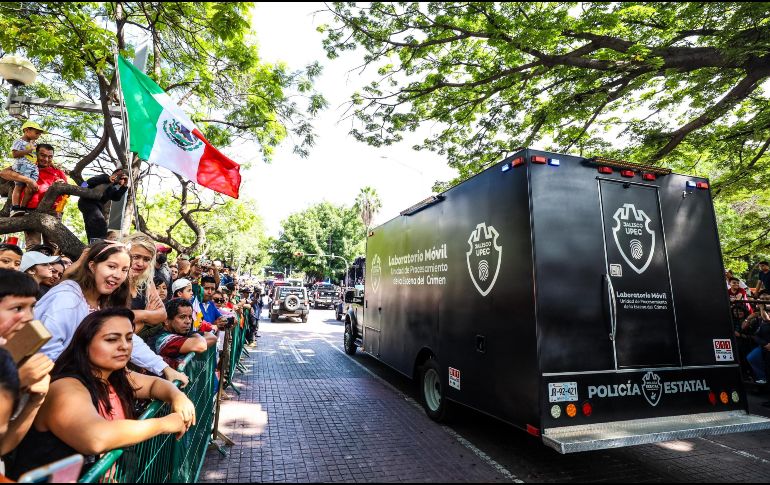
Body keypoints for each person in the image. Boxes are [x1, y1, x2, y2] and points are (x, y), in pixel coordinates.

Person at [7, 308, 195, 479]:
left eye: (129, 338)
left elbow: (154, 383)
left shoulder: (114, 375)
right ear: (84, 343)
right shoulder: (66, 387)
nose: (124, 346)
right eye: (111, 339)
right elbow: (96, 438)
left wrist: (177, 396)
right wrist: (164, 423)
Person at [34, 240, 188, 386]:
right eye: (111, 266)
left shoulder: (105, 301)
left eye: (124, 270)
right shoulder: (65, 299)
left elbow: (127, 337)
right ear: (92, 266)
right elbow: (44, 355)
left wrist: (164, 369)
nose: (118, 275)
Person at [0, 270, 53, 460]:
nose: (29, 317)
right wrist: (16, 382)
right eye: (17, 308)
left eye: (31, 307)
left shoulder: (17, 354)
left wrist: (34, 401)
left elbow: (3, 447)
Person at [0, 144, 67, 248]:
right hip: (29, 212)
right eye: (42, 155)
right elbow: (3, 173)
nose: (46, 159)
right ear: (35, 154)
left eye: (50, 157)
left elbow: (67, 193)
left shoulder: (58, 171)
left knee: (54, 246)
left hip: (52, 212)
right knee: (33, 246)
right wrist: (28, 180)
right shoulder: (26, 165)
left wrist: (62, 185)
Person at [149, 299, 217, 370]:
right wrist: (196, 336)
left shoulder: (182, 332)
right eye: (182, 317)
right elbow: (201, 345)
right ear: (166, 321)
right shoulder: (163, 339)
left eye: (190, 317)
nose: (188, 321)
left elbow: (212, 337)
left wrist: (194, 337)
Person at [122, 234, 166, 339]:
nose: (140, 264)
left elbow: (163, 314)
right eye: (136, 257)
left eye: (146, 259)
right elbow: (119, 329)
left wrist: (139, 315)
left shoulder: (147, 281)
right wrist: (148, 318)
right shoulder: (115, 282)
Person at [76, 169, 129, 243]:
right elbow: (87, 183)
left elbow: (117, 197)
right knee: (100, 223)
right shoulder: (104, 177)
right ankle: (99, 244)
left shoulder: (112, 188)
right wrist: (108, 179)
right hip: (87, 202)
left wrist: (124, 186)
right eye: (120, 175)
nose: (120, 179)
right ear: (116, 172)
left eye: (123, 178)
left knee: (92, 227)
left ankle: (92, 245)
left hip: (96, 207)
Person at [8, 121, 45, 217]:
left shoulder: (34, 143)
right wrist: (29, 150)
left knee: (31, 188)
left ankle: (23, 208)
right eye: (36, 133)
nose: (38, 135)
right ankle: (15, 207)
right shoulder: (19, 141)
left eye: (39, 134)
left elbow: (35, 156)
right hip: (21, 167)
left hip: (32, 168)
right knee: (19, 186)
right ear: (26, 130)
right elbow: (15, 154)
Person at [746, 290, 770, 385]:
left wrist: (762, 309)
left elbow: (767, 320)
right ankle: (762, 377)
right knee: (752, 357)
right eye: (762, 299)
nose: (764, 301)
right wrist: (748, 318)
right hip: (765, 344)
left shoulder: (763, 314)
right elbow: (755, 334)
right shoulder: (758, 315)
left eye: (767, 299)